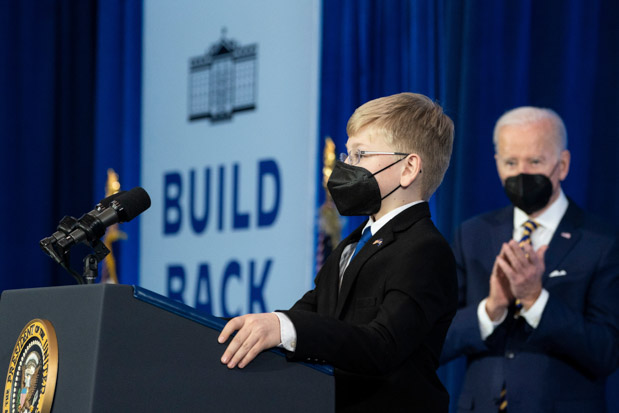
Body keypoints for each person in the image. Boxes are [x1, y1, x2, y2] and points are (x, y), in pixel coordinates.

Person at [218, 92, 458, 412]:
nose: (345, 167)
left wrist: (285, 328)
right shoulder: (351, 244)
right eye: (347, 155)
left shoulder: (425, 249)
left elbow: (381, 345)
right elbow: (308, 313)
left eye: (360, 154)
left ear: (408, 167)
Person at [440, 107, 619, 413]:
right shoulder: (472, 235)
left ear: (561, 165)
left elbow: (607, 351)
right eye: (511, 162)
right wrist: (491, 308)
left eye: (535, 161)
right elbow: (436, 341)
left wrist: (536, 300)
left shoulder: (602, 242)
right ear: (497, 164)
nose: (521, 173)